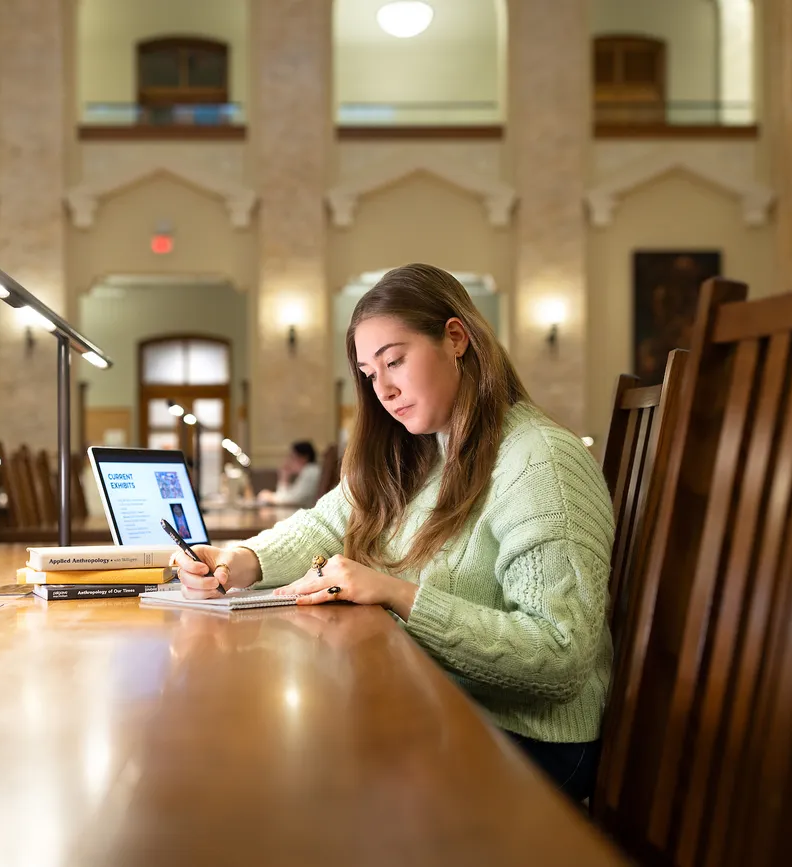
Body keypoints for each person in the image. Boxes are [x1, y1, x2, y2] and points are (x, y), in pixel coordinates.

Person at [171, 263, 615, 801]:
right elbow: (325, 523)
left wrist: (397, 596)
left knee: (285, 770)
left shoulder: (540, 460)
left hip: (532, 743)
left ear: (456, 338)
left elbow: (561, 655)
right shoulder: (422, 456)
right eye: (369, 373)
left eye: (395, 361)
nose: (383, 388)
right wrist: (241, 560)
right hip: (448, 706)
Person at [255, 441, 320, 508]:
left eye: (292, 457)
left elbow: (293, 500)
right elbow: (290, 497)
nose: (289, 461)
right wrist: (284, 477)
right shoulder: (309, 470)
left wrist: (271, 497)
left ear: (304, 457)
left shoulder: (310, 471)